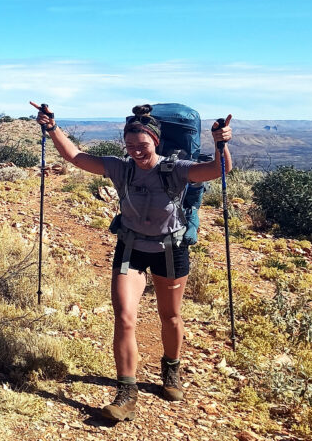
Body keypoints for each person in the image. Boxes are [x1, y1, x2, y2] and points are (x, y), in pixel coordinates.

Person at [32, 103, 232, 422]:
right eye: (130, 146)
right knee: (124, 317)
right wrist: (52, 128)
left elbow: (216, 171)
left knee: (171, 316)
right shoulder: (120, 167)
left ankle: (171, 370)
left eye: (143, 145)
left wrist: (221, 145)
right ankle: (126, 392)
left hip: (170, 250)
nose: (137, 151)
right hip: (131, 249)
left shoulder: (175, 168)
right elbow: (75, 157)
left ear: (155, 141)